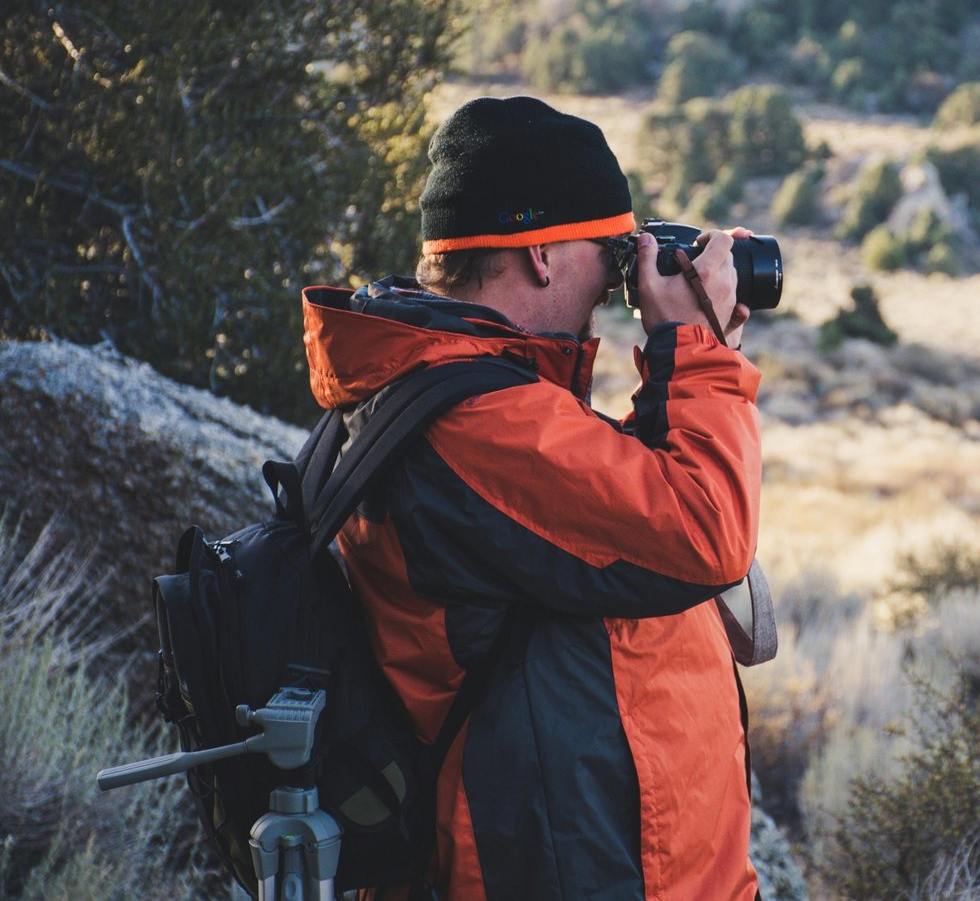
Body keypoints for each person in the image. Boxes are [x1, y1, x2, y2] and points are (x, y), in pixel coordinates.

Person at [299, 96, 764, 900]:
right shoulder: (473, 417)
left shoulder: (471, 390)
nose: (622, 278)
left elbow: (596, 504)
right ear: (543, 254)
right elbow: (699, 529)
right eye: (612, 249)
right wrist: (695, 349)